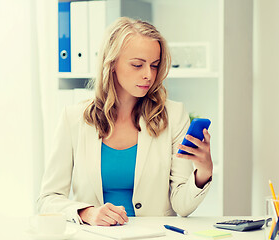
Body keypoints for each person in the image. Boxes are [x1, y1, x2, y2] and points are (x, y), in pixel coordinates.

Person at [37, 17, 213, 226]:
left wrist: (203, 171)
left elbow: (182, 206)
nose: (149, 75)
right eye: (137, 65)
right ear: (111, 64)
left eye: (155, 66)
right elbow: (47, 200)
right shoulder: (73, 118)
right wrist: (87, 212)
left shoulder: (174, 116)